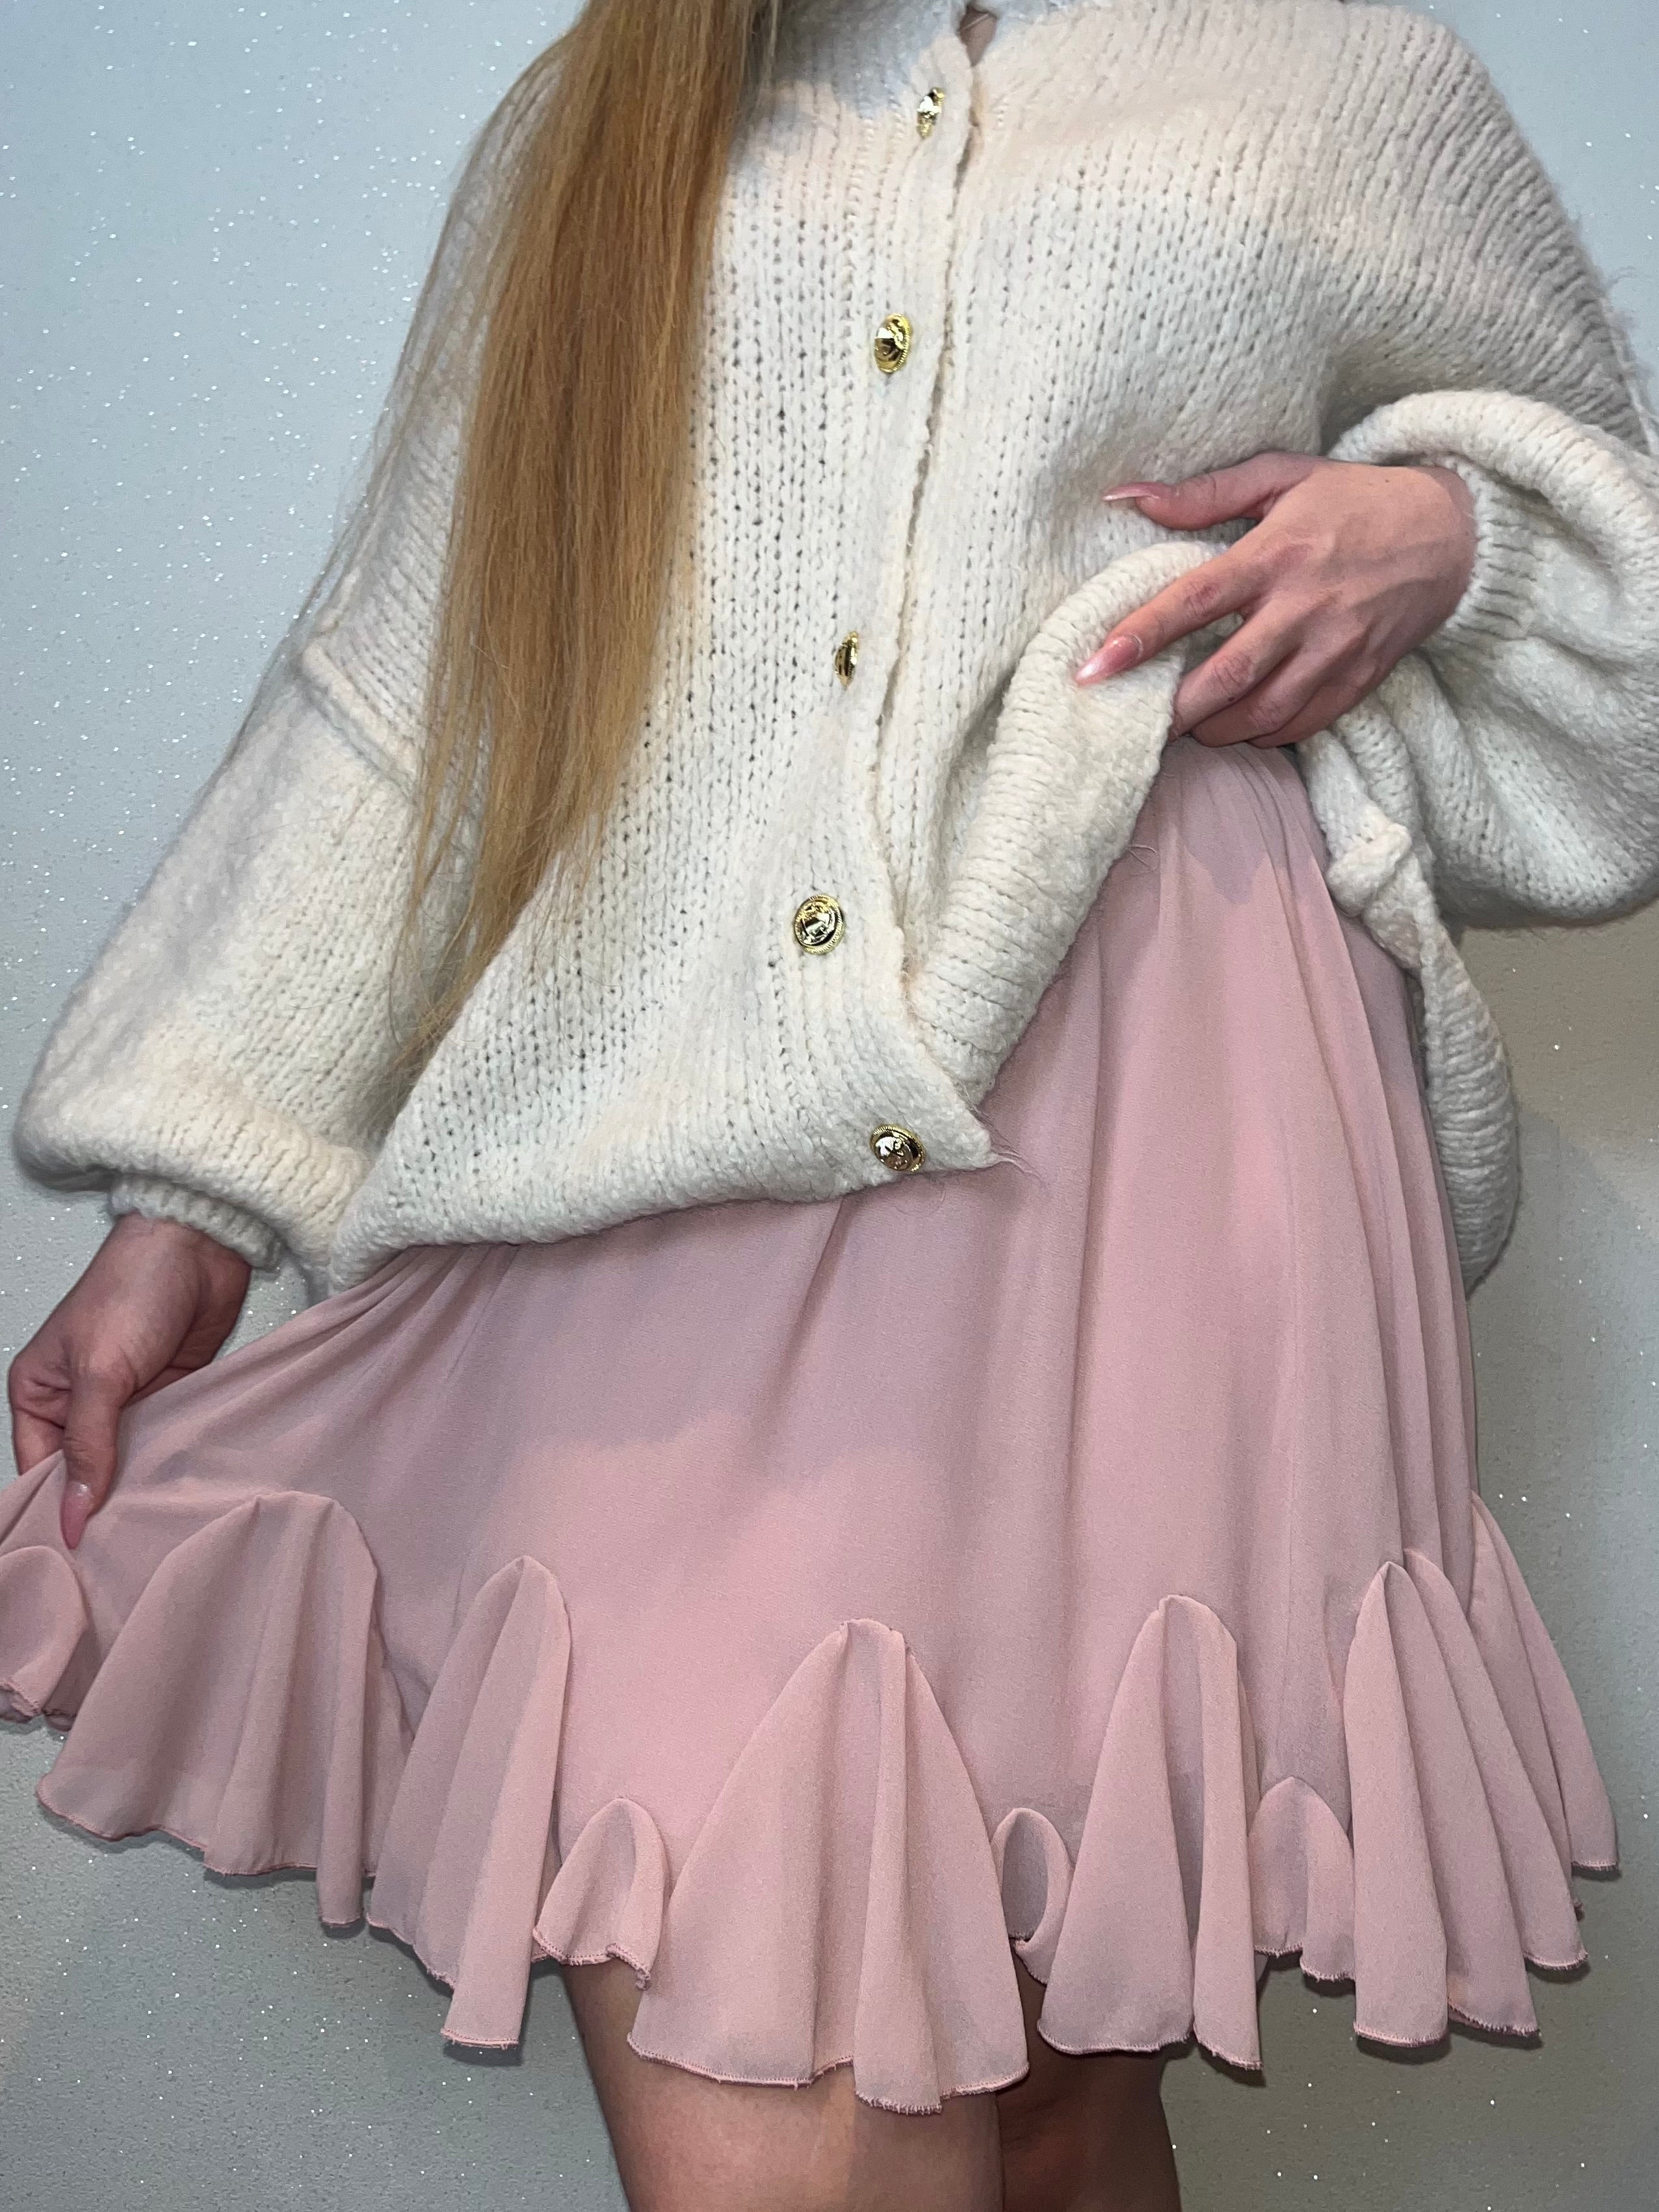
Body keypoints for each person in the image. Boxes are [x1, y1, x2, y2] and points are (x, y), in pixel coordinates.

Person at [6, 0, 1658, 2205]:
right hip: (682, 1144)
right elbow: (425, 679)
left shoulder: (1334, 67)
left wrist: (1457, 535)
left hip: (1176, 1143)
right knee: (781, 2072)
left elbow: (1630, 641)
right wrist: (187, 1194)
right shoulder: (620, 110)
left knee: (1059, 2108)